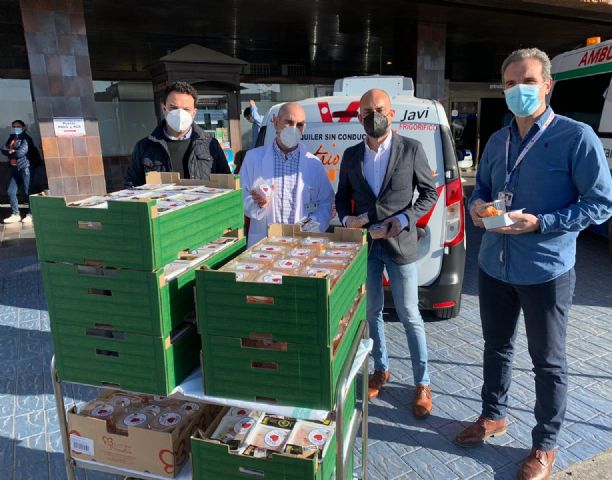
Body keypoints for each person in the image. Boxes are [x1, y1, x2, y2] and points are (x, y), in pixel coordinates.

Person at [454, 48, 612, 480]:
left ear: (547, 85)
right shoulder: (497, 140)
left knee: (547, 361)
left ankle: (544, 444)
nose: (517, 91)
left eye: (526, 82)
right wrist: (479, 207)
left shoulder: (576, 137)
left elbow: (600, 204)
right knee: (496, 348)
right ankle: (494, 414)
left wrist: (541, 222)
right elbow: (481, 190)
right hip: (494, 264)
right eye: (509, 84)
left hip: (546, 268)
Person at [335, 89, 438, 417]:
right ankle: (381, 369)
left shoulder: (412, 148)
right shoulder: (351, 155)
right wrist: (346, 218)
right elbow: (342, 198)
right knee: (372, 312)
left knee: (410, 314)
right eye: (366, 111)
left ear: (391, 113)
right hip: (367, 246)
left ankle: (422, 382)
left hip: (400, 244)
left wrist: (404, 219)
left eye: (378, 110)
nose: (373, 116)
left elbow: (429, 193)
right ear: (359, 116)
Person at [240, 102, 334, 247]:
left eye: (300, 125)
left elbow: (326, 202)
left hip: (300, 245)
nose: (294, 129)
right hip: (264, 244)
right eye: (289, 122)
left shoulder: (314, 164)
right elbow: (240, 197)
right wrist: (259, 204)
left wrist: (309, 227)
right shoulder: (253, 158)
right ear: (275, 122)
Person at [125, 81, 230, 188]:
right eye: (174, 108)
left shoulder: (210, 145)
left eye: (186, 109)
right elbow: (132, 187)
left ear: (194, 113)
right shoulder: (144, 147)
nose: (180, 114)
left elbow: (226, 184)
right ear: (164, 109)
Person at [1, 120, 37, 224]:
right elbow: (3, 148)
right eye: (14, 126)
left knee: (27, 192)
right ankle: (15, 214)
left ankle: (31, 214)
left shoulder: (26, 138)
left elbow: (21, 152)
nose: (16, 128)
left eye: (18, 126)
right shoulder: (12, 138)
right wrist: (10, 151)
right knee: (10, 191)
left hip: (25, 168)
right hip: (15, 169)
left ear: (23, 127)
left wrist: (11, 152)